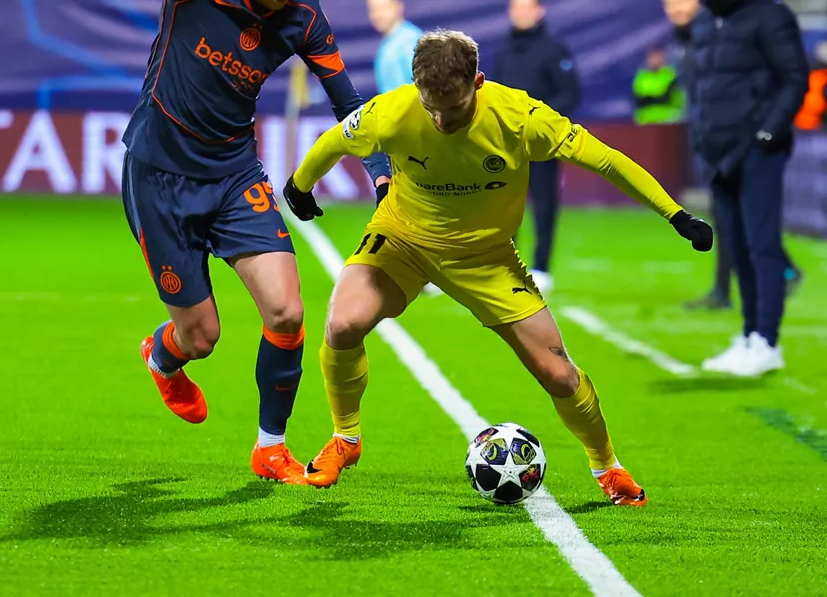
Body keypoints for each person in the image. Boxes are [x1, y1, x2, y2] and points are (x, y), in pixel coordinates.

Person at [87, 0, 391, 485]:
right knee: (203, 338)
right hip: (159, 175)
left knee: (286, 311)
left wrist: (380, 170)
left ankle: (268, 446)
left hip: (232, 172)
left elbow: (349, 103)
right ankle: (163, 357)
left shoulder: (304, 14)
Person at [282, 30, 714, 503]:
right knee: (342, 324)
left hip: (486, 257)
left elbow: (606, 161)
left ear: (478, 82)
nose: (442, 118)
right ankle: (345, 439)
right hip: (403, 238)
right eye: (432, 106)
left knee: (560, 375)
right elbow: (331, 143)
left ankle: (607, 465)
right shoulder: (392, 111)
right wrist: (300, 187)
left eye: (454, 105)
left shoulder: (521, 118)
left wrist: (676, 214)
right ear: (417, 87)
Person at [688, 0, 809, 377]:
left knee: (762, 246)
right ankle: (748, 336)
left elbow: (796, 78)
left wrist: (766, 132)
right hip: (719, 151)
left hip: (758, 149)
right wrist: (702, 136)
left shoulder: (769, 14)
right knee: (736, 248)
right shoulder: (706, 18)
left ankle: (767, 341)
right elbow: (702, 86)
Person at [663, 0, 803, 311]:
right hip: (710, 137)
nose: (675, 10)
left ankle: (774, 277)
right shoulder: (689, 38)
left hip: (739, 137)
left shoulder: (713, 31)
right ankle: (727, 289)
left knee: (742, 217)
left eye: (680, 1)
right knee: (727, 216)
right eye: (668, 4)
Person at [490, 0, 580, 294]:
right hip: (506, 144)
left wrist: (539, 122)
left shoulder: (554, 50)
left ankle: (541, 267)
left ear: (540, 10)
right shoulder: (503, 50)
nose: (520, 12)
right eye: (515, 6)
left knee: (544, 205)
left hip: (540, 142)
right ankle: (506, 264)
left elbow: (570, 94)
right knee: (503, 206)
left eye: (527, 6)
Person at [368, 0, 424, 94]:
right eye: (373, 9)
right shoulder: (386, 44)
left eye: (383, 8)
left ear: (398, 6)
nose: (378, 15)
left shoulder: (411, 42)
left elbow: (422, 88)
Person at [632, 47, 684, 125]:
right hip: (646, 122)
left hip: (668, 121)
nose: (655, 61)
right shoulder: (641, 78)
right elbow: (640, 100)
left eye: (658, 57)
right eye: (652, 58)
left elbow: (676, 99)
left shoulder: (671, 76)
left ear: (663, 58)